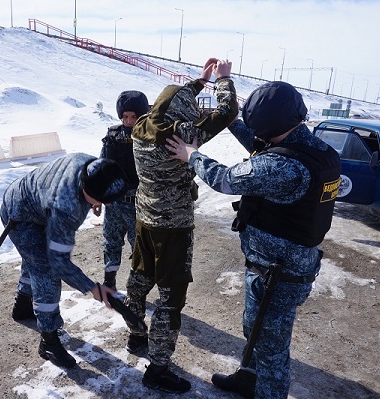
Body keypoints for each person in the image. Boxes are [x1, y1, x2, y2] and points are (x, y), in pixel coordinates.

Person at [165, 81, 341, 398]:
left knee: (272, 352)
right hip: (276, 269)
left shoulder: (284, 168)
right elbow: (264, 148)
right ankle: (250, 378)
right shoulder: (314, 150)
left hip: (279, 277)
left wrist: (191, 155)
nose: (256, 136)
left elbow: (225, 178)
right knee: (255, 330)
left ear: (273, 127)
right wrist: (232, 121)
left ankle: (266, 388)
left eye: (260, 130)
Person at [121, 58, 239, 394]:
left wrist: (198, 82)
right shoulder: (182, 135)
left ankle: (135, 335)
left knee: (139, 280)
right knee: (171, 299)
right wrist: (222, 80)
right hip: (173, 229)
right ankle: (158, 368)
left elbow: (171, 99)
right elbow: (228, 113)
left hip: (144, 220)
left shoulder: (140, 127)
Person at [0, 153, 128, 368]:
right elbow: (58, 262)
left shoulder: (91, 166)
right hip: (21, 217)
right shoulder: (66, 208)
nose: (110, 205)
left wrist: (96, 201)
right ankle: (48, 340)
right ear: (89, 192)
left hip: (32, 200)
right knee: (45, 271)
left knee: (34, 257)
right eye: (105, 201)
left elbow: (90, 189)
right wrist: (93, 288)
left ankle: (23, 306)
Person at [99, 90, 150, 290]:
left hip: (138, 205)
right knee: (111, 243)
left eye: (134, 117)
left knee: (139, 248)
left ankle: (135, 288)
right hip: (114, 204)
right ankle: (109, 282)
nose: (129, 121)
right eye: (125, 117)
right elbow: (102, 166)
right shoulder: (112, 136)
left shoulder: (149, 137)